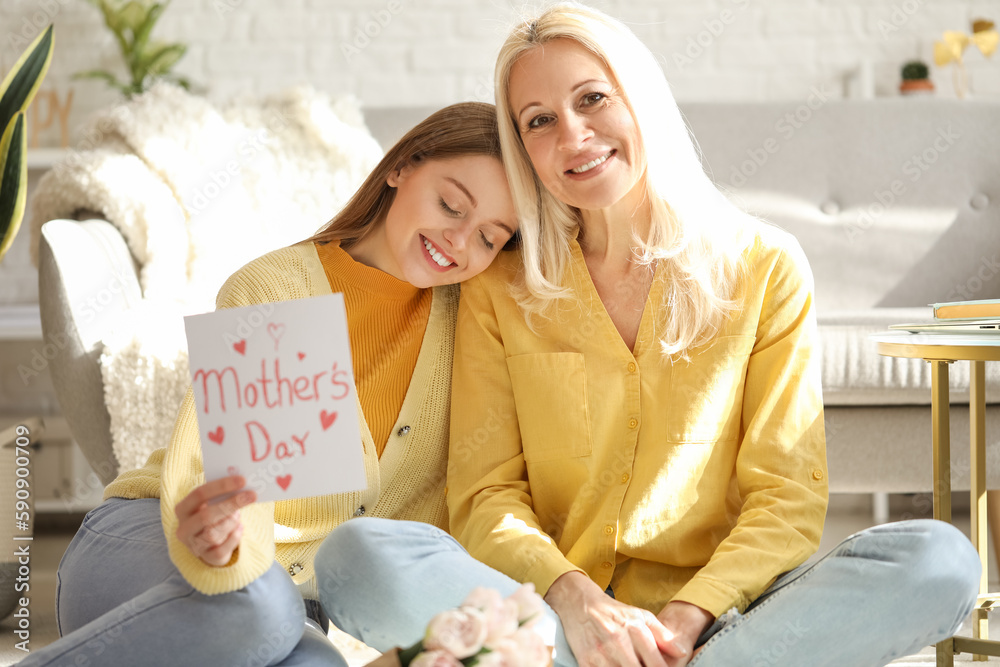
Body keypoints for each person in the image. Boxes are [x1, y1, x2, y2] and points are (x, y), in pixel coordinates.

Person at [315, 4, 981, 667]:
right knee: (358, 558)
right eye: (539, 120)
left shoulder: (765, 267)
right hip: (550, 617)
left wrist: (685, 622)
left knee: (941, 560)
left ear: (640, 99)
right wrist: (577, 604)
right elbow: (487, 493)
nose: (573, 134)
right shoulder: (500, 285)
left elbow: (786, 496)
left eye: (592, 98)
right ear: (523, 150)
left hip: (718, 626)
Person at [18, 102, 519, 667]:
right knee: (262, 606)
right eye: (451, 204)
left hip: (291, 610)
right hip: (156, 549)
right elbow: (237, 480)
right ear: (400, 167)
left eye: (490, 238)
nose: (459, 241)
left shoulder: (473, 327)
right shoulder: (278, 289)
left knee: (317, 660)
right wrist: (226, 544)